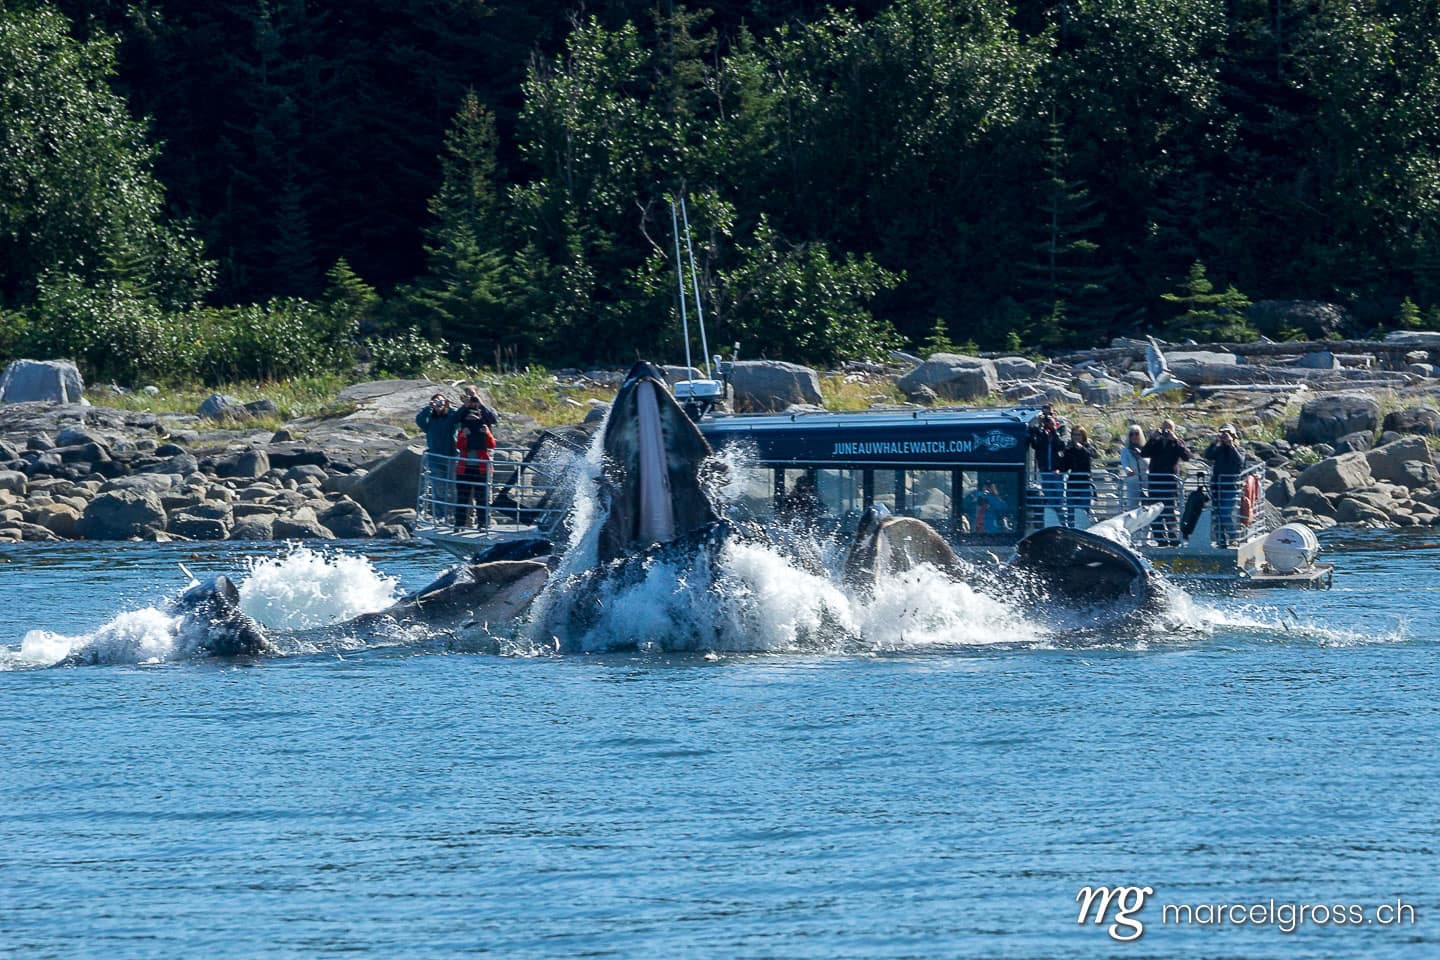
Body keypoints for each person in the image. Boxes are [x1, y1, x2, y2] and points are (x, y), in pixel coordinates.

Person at [1141, 418, 1193, 546]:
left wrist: (1174, 439)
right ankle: (1161, 540)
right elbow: (1144, 453)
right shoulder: (1155, 442)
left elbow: (1186, 456)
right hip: (1155, 482)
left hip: (1169, 483)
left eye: (1168, 428)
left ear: (1174, 430)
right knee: (1155, 512)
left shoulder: (1177, 443)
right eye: (1164, 428)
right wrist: (1152, 438)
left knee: (1170, 511)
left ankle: (1174, 538)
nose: (1165, 431)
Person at [454, 388, 497, 529]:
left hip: (482, 465)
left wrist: (480, 403)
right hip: (465, 465)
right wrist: (465, 406)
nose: (471, 398)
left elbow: (493, 419)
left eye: (472, 394)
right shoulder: (463, 413)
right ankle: (459, 524)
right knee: (462, 497)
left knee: (482, 498)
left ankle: (483, 524)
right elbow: (453, 420)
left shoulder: (485, 412)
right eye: (468, 394)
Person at [416, 392, 462, 521]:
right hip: (435, 457)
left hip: (452, 456)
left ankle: (454, 515)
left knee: (453, 487)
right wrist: (427, 409)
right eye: (435, 402)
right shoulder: (430, 420)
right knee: (438, 487)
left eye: (440, 402)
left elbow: (459, 421)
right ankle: (441, 516)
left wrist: (450, 408)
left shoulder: (451, 417)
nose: (438, 404)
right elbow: (419, 421)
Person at [1205, 423, 1247, 547]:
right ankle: (1221, 540)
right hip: (1217, 486)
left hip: (1231, 487)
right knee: (1217, 515)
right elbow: (1207, 456)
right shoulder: (1219, 449)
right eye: (1223, 434)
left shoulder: (1240, 449)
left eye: (1227, 434)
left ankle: (1233, 536)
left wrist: (1231, 445)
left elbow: (1239, 461)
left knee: (1225, 513)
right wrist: (1214, 442)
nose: (1225, 437)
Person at [1028, 404, 1067, 526]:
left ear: (1054, 414)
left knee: (1060, 499)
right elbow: (1035, 445)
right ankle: (1052, 525)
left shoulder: (1061, 428)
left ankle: (1063, 524)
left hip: (1057, 470)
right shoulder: (1040, 431)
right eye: (1044, 414)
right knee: (1049, 498)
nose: (1047, 417)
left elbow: (1061, 445)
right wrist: (1040, 425)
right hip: (1045, 469)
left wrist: (1053, 428)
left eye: (1049, 414)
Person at [1059, 426, 1097, 527]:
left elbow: (1092, 455)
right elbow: (1065, 466)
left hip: (1085, 484)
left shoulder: (1089, 446)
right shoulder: (1069, 449)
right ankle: (1072, 531)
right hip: (1072, 484)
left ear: (1083, 436)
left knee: (1084, 511)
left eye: (1079, 435)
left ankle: (1084, 531)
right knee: (1071, 512)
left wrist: (1081, 449)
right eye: (1074, 435)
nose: (1076, 437)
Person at [1119, 424, 1149, 510]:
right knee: (1132, 506)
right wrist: (1129, 471)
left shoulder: (1146, 449)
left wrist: (1141, 456)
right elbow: (1125, 464)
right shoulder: (1125, 450)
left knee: (1147, 507)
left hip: (1146, 481)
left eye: (1136, 433)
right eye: (1131, 434)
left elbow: (1149, 464)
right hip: (1133, 481)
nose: (1134, 436)